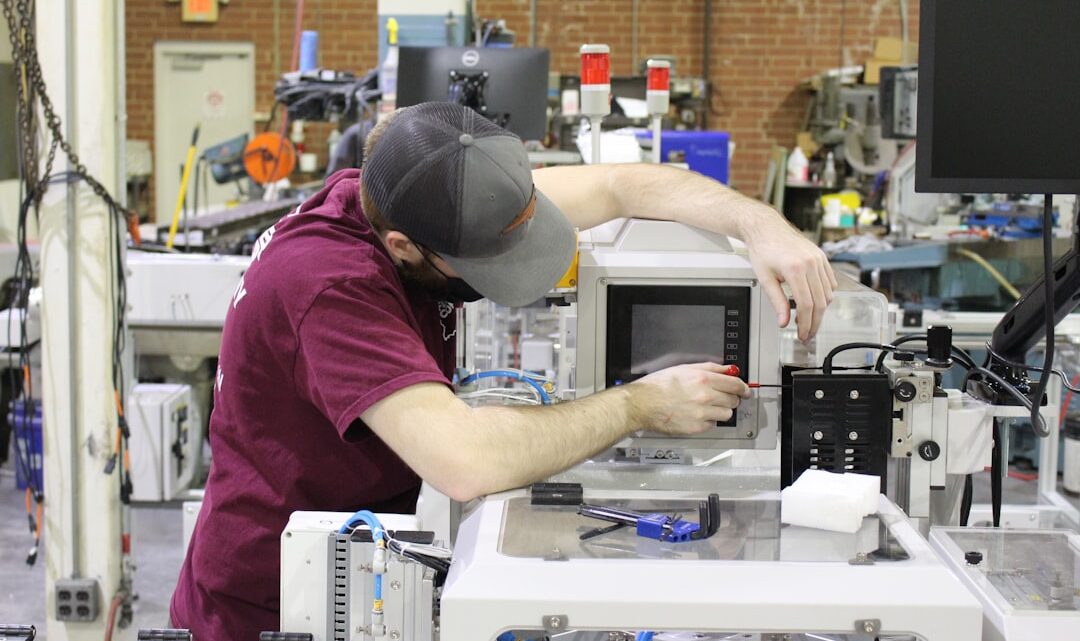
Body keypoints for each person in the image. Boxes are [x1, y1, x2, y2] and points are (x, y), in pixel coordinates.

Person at [170, 102, 836, 639]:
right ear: (403, 247)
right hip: (273, 606)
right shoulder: (328, 285)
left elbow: (623, 184)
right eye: (483, 266)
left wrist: (759, 223)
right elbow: (467, 462)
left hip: (360, 566)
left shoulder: (421, 195)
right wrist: (639, 404)